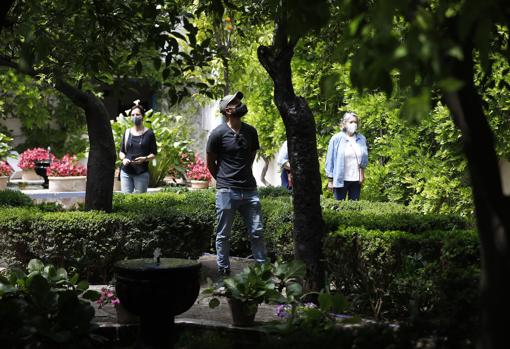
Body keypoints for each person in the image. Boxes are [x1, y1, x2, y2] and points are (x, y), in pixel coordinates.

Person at [206, 91, 267, 275]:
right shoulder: (217, 134)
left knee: (257, 231)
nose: (239, 103)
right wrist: (225, 180)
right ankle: (223, 271)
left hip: (250, 190)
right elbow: (210, 163)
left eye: (239, 100)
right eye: (234, 102)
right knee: (223, 235)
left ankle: (262, 270)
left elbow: (251, 157)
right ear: (226, 110)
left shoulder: (251, 131)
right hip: (226, 191)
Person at [325, 111, 368, 201]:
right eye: (351, 122)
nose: (354, 124)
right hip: (340, 179)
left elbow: (363, 159)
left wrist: (362, 174)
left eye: (355, 122)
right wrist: (330, 181)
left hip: (356, 179)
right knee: (339, 207)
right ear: (344, 123)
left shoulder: (361, 138)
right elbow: (330, 160)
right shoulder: (336, 139)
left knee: (354, 208)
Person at [119, 100, 157, 193]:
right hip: (126, 171)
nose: (135, 117)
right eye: (132, 115)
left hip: (141, 172)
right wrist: (124, 159)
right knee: (125, 200)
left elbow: (154, 154)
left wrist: (145, 158)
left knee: (140, 200)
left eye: (137, 114)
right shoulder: (127, 132)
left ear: (143, 116)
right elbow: (121, 152)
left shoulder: (149, 134)